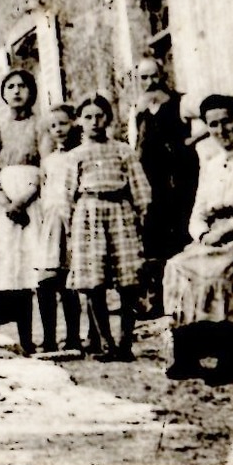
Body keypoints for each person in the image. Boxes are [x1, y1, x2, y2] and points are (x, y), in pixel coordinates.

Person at [163, 94, 233, 384]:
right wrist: (202, 234)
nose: (221, 130)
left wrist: (227, 231)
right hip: (212, 236)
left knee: (222, 272)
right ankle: (187, 354)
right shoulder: (211, 163)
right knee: (177, 267)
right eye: (213, 124)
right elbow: (198, 211)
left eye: (227, 121)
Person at [66, 93, 152, 362]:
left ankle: (125, 342)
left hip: (120, 212)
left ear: (108, 119)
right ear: (79, 121)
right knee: (94, 282)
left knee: (128, 281)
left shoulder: (122, 150)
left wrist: (141, 212)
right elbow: (67, 193)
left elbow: (139, 186)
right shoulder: (75, 155)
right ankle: (106, 343)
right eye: (88, 117)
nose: (94, 122)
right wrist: (72, 225)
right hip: (89, 214)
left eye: (99, 116)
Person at [0, 69, 45, 354]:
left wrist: (24, 200)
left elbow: (46, 167)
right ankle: (7, 336)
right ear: (3, 93)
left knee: (34, 265)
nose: (17, 91)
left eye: (23, 86)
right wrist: (5, 202)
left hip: (33, 198)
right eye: (11, 87)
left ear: (31, 91)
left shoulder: (40, 125)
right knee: (9, 267)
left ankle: (36, 337)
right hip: (3, 204)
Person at [133, 57, 200, 317]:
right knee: (154, 240)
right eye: (144, 78)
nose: (150, 82)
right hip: (152, 182)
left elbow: (207, 115)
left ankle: (186, 302)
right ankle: (159, 303)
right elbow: (134, 143)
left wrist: (188, 142)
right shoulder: (138, 108)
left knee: (181, 235)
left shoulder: (180, 102)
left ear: (163, 75)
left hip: (179, 180)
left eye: (154, 76)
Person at [34, 104, 87, 354]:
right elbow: (45, 191)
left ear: (74, 124)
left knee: (70, 281)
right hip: (52, 222)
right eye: (53, 126)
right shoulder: (49, 160)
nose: (58, 130)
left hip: (74, 222)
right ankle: (48, 339)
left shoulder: (81, 155)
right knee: (46, 279)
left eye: (63, 124)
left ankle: (74, 337)